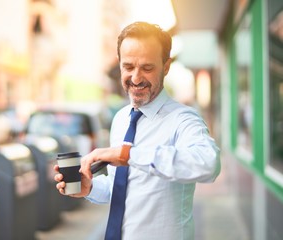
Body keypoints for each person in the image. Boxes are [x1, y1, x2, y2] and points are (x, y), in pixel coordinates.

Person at [54, 21, 221, 240]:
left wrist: (127, 154)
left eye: (147, 68)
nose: (136, 78)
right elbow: (121, 189)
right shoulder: (121, 118)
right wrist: (90, 188)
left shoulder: (183, 119)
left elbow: (209, 163)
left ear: (166, 66)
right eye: (129, 66)